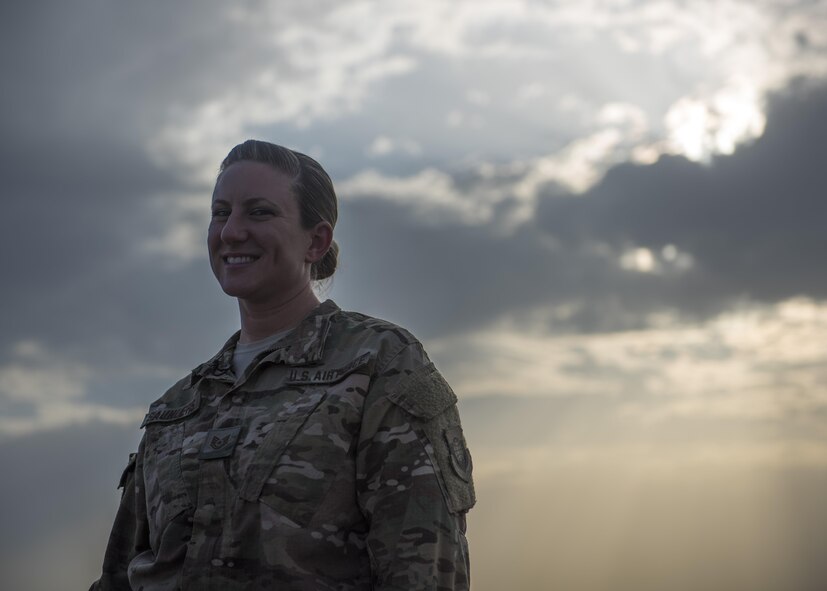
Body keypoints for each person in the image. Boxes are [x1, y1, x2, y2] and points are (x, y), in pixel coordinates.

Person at [90, 139, 475, 590]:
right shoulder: (178, 407)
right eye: (220, 212)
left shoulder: (379, 365)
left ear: (316, 241)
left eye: (259, 212)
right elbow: (118, 578)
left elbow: (424, 571)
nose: (231, 231)